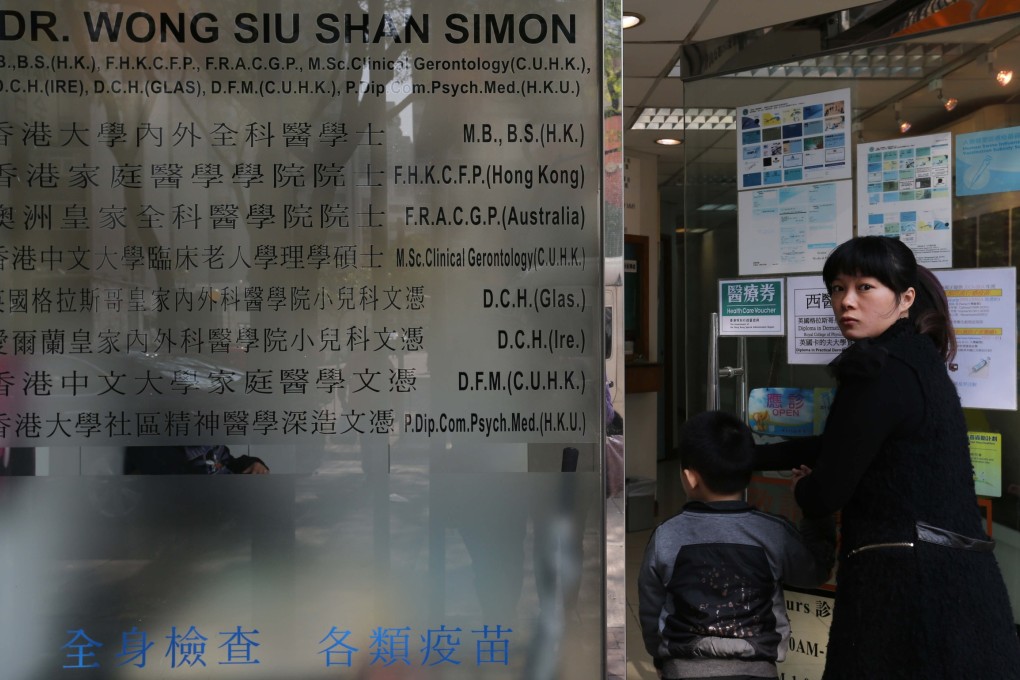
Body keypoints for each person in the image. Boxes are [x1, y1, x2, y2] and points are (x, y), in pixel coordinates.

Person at [755, 235, 1020, 678]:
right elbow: (847, 441)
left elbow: (825, 493)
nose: (846, 302)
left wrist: (805, 488)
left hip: (904, 587)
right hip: (959, 583)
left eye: (865, 287)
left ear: (905, 298)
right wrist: (754, 456)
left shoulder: (875, 371)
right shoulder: (918, 362)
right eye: (837, 288)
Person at [639, 410, 835, 680]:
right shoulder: (773, 533)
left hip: (682, 669)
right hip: (758, 670)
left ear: (690, 477)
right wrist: (815, 512)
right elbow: (816, 571)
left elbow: (651, 607)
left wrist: (659, 656)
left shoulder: (667, 536)